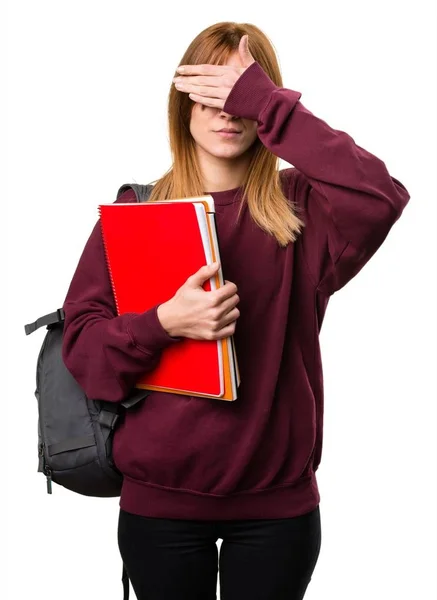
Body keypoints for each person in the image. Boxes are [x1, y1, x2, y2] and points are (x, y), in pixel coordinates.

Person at [61, 21, 410, 600]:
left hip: (278, 508)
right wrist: (163, 325)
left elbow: (382, 196)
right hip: (159, 503)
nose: (228, 112)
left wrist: (270, 104)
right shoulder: (135, 211)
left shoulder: (305, 211)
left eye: (239, 92)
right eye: (211, 93)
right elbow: (84, 352)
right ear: (183, 104)